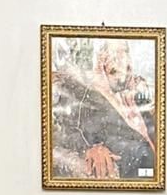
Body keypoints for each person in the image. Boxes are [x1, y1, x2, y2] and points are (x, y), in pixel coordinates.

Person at [51, 39, 155, 180]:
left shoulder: (139, 96)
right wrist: (88, 150)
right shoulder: (86, 97)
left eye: (124, 52)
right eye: (111, 54)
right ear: (100, 60)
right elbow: (67, 132)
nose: (120, 60)